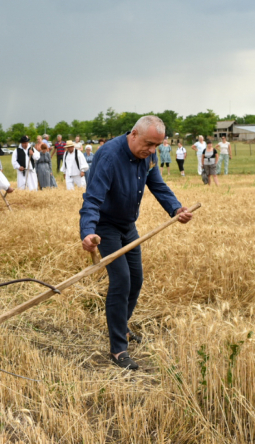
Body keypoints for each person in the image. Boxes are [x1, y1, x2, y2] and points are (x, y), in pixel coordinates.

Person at [80, 116, 193, 369]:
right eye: (149, 144)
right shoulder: (109, 156)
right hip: (105, 227)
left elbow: (158, 186)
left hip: (128, 226)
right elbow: (92, 199)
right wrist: (87, 232)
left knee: (136, 279)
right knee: (121, 280)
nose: (152, 151)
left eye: (157, 146)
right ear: (133, 134)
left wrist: (176, 209)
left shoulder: (148, 157)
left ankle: (122, 326)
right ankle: (118, 348)